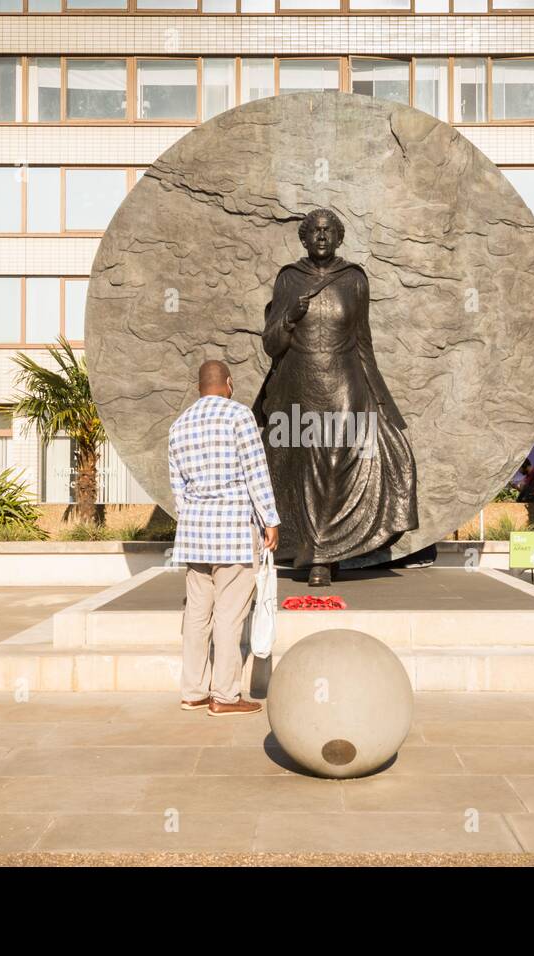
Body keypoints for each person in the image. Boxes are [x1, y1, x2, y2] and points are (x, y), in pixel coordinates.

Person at [253, 207, 418, 588]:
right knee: (308, 465)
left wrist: (384, 403)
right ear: (305, 239)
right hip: (300, 385)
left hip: (346, 384)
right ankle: (318, 557)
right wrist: (289, 317)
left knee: (337, 461)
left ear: (339, 237)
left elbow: (364, 343)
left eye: (329, 231)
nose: (322, 237)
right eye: (315, 232)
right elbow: (270, 344)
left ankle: (329, 551)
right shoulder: (289, 280)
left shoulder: (354, 280)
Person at [169, 359, 281, 716]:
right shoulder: (239, 416)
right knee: (230, 616)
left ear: (199, 386)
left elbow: (179, 491)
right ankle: (226, 697)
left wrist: (192, 521)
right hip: (233, 531)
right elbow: (255, 471)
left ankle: (193, 692)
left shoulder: (179, 425)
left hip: (194, 535)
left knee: (197, 617)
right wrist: (270, 519)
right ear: (228, 383)